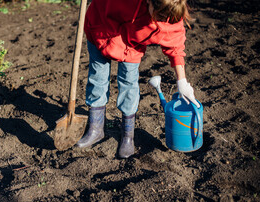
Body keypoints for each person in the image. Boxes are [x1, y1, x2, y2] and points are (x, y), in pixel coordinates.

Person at [76, 0, 200, 158]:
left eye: (164, 18)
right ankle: (96, 129)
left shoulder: (171, 13)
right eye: (158, 15)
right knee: (97, 77)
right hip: (101, 25)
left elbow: (175, 46)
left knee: (129, 82)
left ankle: (128, 136)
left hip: (132, 42)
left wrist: (182, 82)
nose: (160, 21)